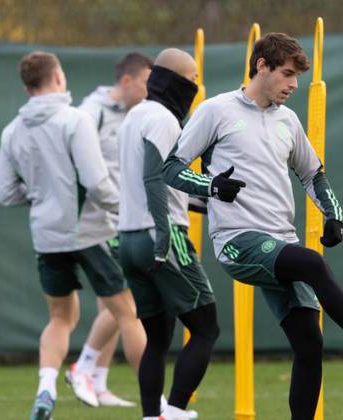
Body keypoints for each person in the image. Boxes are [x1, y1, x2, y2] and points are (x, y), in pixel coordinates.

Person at [162, 33, 343, 419]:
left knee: (309, 345)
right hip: (237, 242)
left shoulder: (288, 120)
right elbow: (170, 168)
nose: (293, 85)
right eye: (286, 74)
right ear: (261, 66)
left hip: (280, 242)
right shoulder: (216, 110)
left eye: (297, 77)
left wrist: (334, 215)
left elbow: (312, 174)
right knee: (313, 265)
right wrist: (213, 185)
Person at [0, 51, 146, 419]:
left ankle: (46, 389)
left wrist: (41, 196)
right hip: (90, 232)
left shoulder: (11, 131)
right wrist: (128, 209)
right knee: (127, 313)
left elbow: (4, 193)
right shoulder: (75, 119)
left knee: (61, 319)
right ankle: (158, 405)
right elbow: (97, 184)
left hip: (46, 238)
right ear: (57, 78)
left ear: (28, 85)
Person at [118, 48, 216, 420]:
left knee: (157, 338)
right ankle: (174, 412)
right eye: (192, 81)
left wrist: (207, 199)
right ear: (177, 82)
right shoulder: (162, 119)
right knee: (206, 327)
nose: (195, 88)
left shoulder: (133, 118)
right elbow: (154, 178)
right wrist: (163, 236)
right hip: (161, 236)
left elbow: (153, 183)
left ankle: (151, 416)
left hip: (128, 238)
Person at [63, 52, 153, 409]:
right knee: (123, 304)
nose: (151, 91)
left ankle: (96, 381)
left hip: (124, 218)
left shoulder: (138, 115)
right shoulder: (91, 112)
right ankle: (83, 367)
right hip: (98, 222)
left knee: (114, 306)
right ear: (127, 81)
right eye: (147, 82)